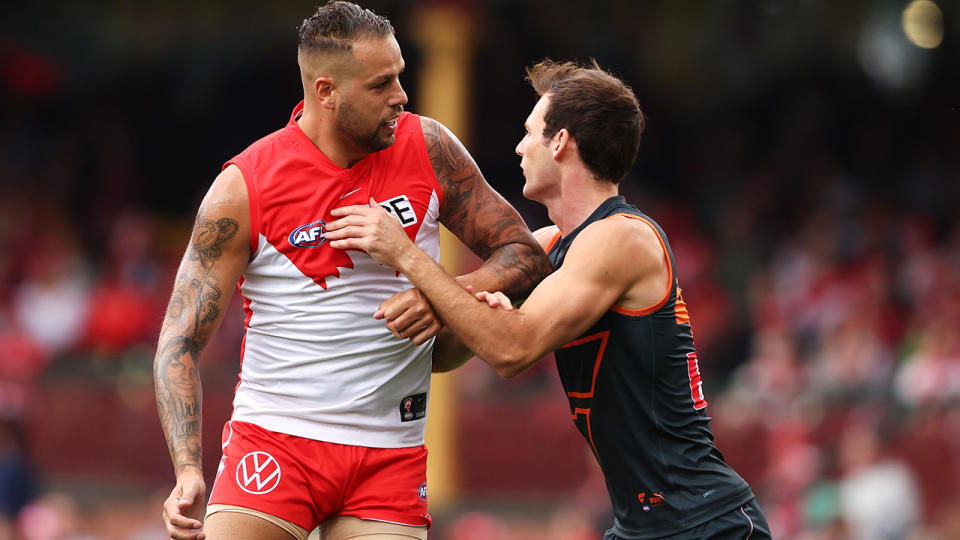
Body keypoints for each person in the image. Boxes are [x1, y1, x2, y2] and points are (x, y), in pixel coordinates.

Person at [152, 2, 550, 540]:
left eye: (400, 78)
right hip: (274, 441)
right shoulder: (245, 185)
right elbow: (179, 338)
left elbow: (524, 254)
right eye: (381, 84)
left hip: (390, 451)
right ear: (325, 92)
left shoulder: (428, 147)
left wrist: (445, 292)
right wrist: (186, 469)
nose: (400, 97)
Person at [327, 59, 772, 539]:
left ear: (560, 142)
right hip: (642, 524)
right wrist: (473, 311)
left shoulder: (621, 237)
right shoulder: (548, 244)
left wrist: (406, 254)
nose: (519, 147)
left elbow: (511, 351)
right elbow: (449, 352)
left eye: (529, 132)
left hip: (703, 520)